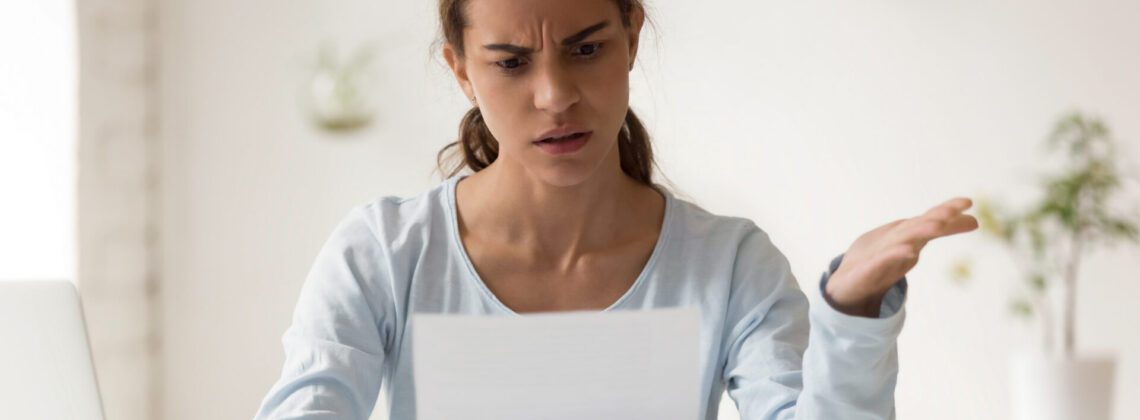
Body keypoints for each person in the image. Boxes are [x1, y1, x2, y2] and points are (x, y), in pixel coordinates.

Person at [253, 0, 979, 419]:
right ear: (460, 69)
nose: (555, 96)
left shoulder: (728, 266)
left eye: (586, 49)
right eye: (511, 63)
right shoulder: (383, 254)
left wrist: (851, 312)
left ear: (631, 36)